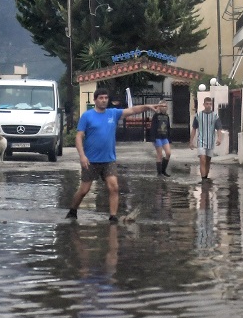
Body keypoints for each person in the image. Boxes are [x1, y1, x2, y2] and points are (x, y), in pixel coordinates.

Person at [66, 88, 158, 223]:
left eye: (105, 98)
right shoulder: (87, 116)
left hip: (108, 159)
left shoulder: (113, 114)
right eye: (101, 98)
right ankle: (73, 210)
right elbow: (79, 137)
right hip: (90, 160)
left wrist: (147, 107)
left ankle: (113, 216)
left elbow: (132, 111)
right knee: (84, 190)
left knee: (114, 187)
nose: (104, 100)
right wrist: (82, 156)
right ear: (95, 100)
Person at [190, 97, 224, 181]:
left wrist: (219, 138)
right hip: (201, 140)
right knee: (202, 159)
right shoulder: (198, 115)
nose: (208, 105)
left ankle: (206, 176)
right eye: (207, 104)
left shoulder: (215, 116)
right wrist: (191, 141)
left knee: (208, 160)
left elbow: (219, 128)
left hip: (211, 141)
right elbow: (194, 128)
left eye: (210, 104)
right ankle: (203, 179)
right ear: (204, 104)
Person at [150, 100, 173, 176]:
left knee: (168, 153)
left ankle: (163, 170)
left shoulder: (167, 116)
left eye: (165, 106)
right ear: (159, 107)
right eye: (162, 106)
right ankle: (159, 173)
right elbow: (153, 127)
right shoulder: (156, 116)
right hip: (157, 137)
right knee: (159, 155)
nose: (164, 107)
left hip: (165, 137)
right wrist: (153, 138)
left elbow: (168, 127)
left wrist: (170, 139)